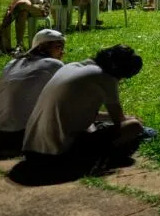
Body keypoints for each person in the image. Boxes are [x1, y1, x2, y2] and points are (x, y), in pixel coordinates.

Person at [23, 44, 145, 174]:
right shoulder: (106, 77)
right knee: (134, 126)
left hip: (31, 151)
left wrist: (117, 117)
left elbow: (81, 112)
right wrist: (130, 119)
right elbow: (119, 121)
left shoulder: (71, 67)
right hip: (57, 155)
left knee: (93, 126)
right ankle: (100, 159)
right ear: (119, 71)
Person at [0, 30, 66, 156]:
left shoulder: (12, 63)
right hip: (22, 134)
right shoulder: (54, 65)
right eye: (58, 47)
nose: (62, 52)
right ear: (42, 47)